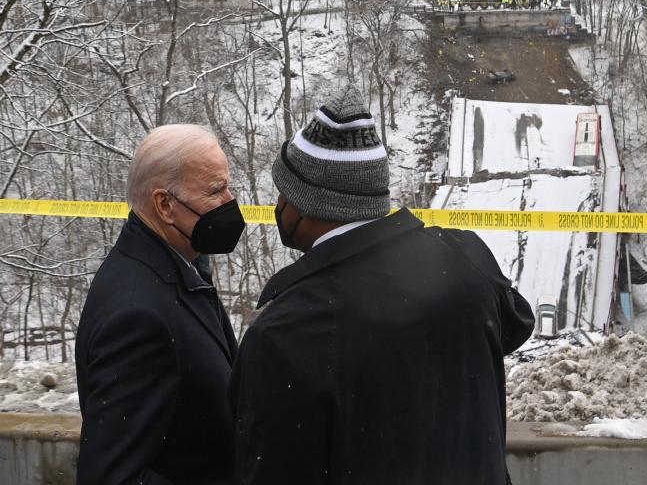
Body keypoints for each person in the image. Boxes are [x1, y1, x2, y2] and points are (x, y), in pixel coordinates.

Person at [230, 86, 535, 485]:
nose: (279, 206)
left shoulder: (287, 332)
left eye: (284, 194)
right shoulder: (466, 257)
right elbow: (515, 325)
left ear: (305, 203)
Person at [75, 125, 245, 485]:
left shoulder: (179, 263)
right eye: (216, 191)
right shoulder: (137, 316)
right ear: (164, 205)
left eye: (228, 186)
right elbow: (112, 476)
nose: (230, 201)